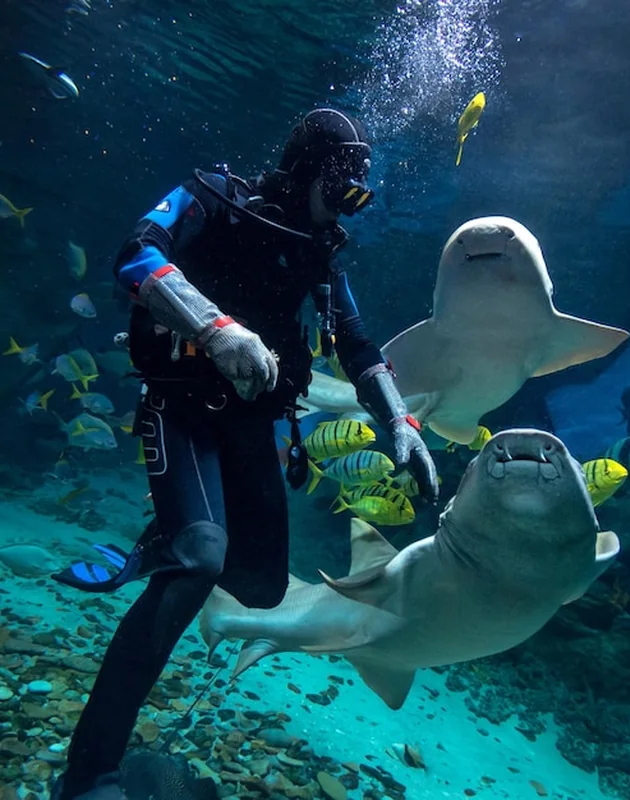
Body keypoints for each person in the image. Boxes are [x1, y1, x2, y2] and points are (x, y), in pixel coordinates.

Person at [50, 108, 438, 800]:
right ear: (309, 168)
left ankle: (157, 542)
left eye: (361, 183)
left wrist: (399, 422)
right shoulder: (211, 198)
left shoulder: (317, 254)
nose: (354, 196)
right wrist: (217, 328)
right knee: (200, 561)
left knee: (257, 586)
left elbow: (357, 346)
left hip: (250, 424)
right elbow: (136, 253)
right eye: (346, 177)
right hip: (180, 406)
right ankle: (89, 773)